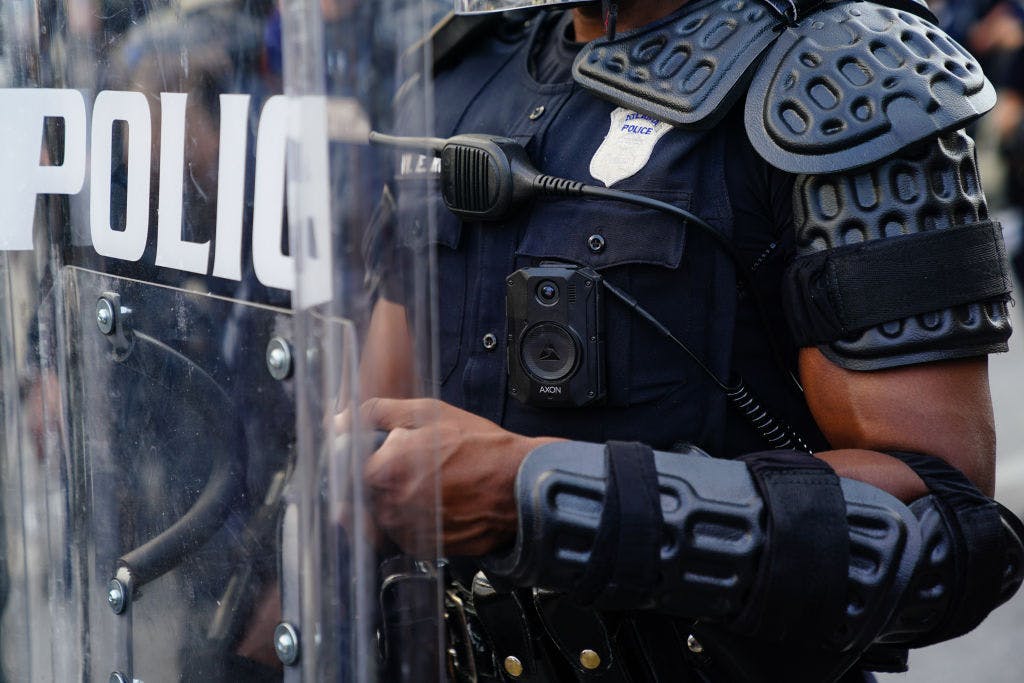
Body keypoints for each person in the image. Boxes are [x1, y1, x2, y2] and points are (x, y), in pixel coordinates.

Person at [357, 0, 1024, 680]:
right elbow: (370, 429)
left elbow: (941, 520)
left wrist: (543, 492)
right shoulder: (460, 74)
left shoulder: (847, 78)